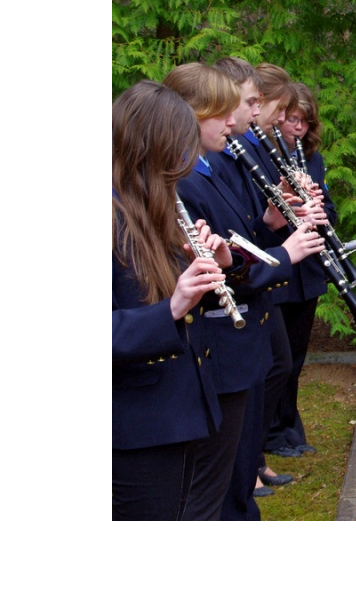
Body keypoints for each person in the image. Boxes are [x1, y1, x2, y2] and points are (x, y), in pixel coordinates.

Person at [165, 63, 325, 520]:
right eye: (227, 111)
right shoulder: (187, 179)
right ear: (190, 115)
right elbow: (222, 272)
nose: (235, 121)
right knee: (218, 486)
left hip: (242, 335)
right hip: (222, 340)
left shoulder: (212, 165)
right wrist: (286, 253)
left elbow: (237, 239)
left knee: (235, 476)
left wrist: (272, 224)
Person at [112, 80, 231, 520]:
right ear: (150, 148)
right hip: (137, 426)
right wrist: (173, 306)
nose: (184, 168)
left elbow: (160, 290)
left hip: (180, 410)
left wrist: (209, 265)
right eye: (179, 154)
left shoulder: (151, 205)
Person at [264, 81, 337, 457]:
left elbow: (331, 216)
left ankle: (290, 426)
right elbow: (258, 222)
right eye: (292, 119)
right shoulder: (263, 161)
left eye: (304, 122)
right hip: (279, 268)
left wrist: (319, 204)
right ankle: (273, 433)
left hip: (308, 271)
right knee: (278, 360)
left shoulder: (313, 161)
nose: (297, 128)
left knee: (295, 357)